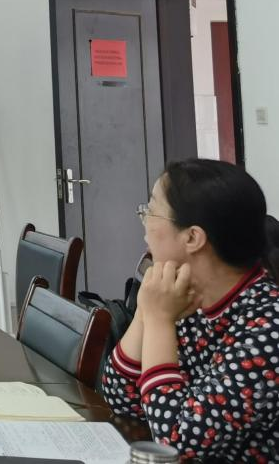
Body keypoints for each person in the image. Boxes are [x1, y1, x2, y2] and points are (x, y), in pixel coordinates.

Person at [100, 158, 279, 461]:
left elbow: (176, 443)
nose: (144, 223)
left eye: (151, 211)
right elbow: (120, 398)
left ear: (193, 237)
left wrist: (159, 320)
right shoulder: (186, 297)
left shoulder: (268, 328)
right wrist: (147, 310)